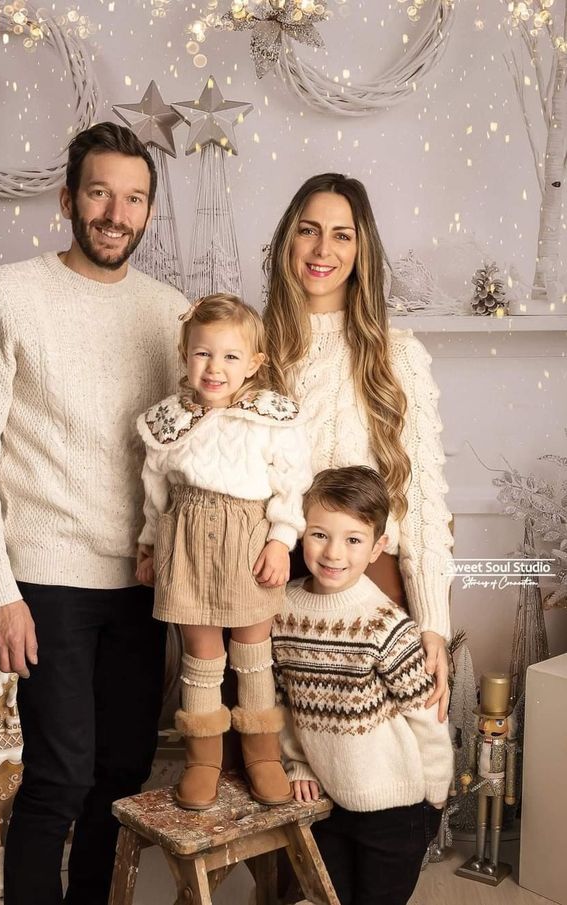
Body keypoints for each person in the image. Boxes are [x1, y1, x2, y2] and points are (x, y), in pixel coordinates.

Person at [0, 122, 187, 905]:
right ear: (68, 200)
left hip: (144, 583)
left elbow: (190, 450)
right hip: (44, 579)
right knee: (58, 776)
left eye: (133, 198)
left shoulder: (171, 313)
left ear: (148, 212)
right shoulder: (8, 293)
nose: (116, 213)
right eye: (99, 193)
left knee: (119, 775)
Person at [263, 173, 453, 721]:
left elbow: (422, 501)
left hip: (374, 582)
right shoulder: (253, 348)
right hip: (276, 584)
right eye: (309, 231)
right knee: (288, 770)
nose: (323, 250)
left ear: (361, 249)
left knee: (383, 771)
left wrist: (432, 623)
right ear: (287, 244)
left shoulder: (399, 357)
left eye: (342, 235)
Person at [136, 293, 312, 810]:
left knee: (254, 656)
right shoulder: (168, 422)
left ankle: (262, 755)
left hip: (248, 544)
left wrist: (282, 541)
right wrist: (148, 545)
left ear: (254, 363)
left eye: (231, 356)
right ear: (184, 354)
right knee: (202, 657)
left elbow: (291, 487)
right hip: (186, 543)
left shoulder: (270, 418)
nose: (215, 368)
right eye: (202, 354)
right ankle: (203, 760)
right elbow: (154, 491)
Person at [273, 466, 453, 905]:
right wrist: (297, 764)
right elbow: (282, 703)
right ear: (300, 533)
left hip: (396, 807)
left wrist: (433, 800)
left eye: (353, 539)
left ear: (378, 548)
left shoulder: (385, 625)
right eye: (319, 534)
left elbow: (427, 719)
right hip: (328, 801)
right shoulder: (281, 610)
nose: (334, 552)